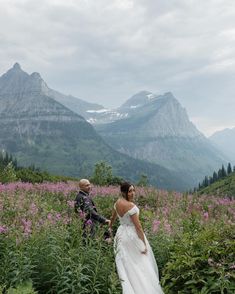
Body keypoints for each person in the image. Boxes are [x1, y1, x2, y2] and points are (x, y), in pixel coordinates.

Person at [109, 182, 164, 294]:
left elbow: (112, 219)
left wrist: (109, 228)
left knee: (127, 262)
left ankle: (128, 285)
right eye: (130, 191)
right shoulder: (131, 207)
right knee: (140, 262)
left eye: (133, 190)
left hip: (120, 234)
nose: (133, 193)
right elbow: (138, 227)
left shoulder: (117, 203)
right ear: (124, 192)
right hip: (131, 236)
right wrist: (143, 243)